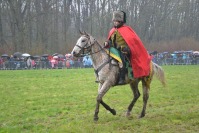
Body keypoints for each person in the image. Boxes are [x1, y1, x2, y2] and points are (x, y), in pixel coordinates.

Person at [104, 11, 151, 85]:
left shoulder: (127, 30)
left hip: (123, 51)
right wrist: (107, 43)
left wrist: (128, 49)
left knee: (121, 61)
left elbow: (133, 42)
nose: (115, 23)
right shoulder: (112, 30)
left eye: (117, 21)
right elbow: (110, 41)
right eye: (114, 21)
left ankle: (122, 78)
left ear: (121, 21)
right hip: (113, 50)